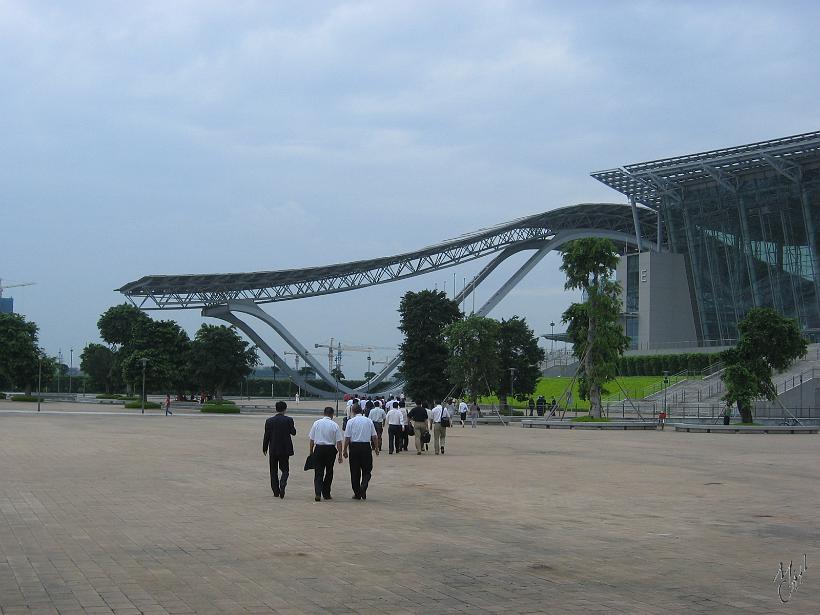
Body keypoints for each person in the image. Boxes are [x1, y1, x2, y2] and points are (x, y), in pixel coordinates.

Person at [343, 404, 379, 500]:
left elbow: (347, 437)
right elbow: (374, 436)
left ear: (353, 411)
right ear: (361, 411)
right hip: (366, 447)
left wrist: (344, 449)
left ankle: (357, 492)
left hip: (354, 447)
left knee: (354, 471)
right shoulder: (368, 421)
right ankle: (364, 485)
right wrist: (376, 448)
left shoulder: (350, 421)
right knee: (367, 469)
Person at [308, 406, 344, 502]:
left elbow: (311, 439)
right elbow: (339, 442)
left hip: (319, 449)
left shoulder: (316, 423)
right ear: (332, 414)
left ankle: (318, 493)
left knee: (318, 472)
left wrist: (311, 451)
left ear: (324, 413)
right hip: (330, 450)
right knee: (329, 471)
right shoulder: (334, 425)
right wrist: (340, 454)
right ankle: (326, 493)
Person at [262, 401, 296, 499]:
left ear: (276, 409)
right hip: (285, 449)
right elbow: (293, 432)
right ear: (285, 409)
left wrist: (264, 448)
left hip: (273, 449)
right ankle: (283, 481)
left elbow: (266, 436)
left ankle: (276, 491)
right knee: (285, 469)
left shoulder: (269, 421)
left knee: (273, 471)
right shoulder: (289, 420)